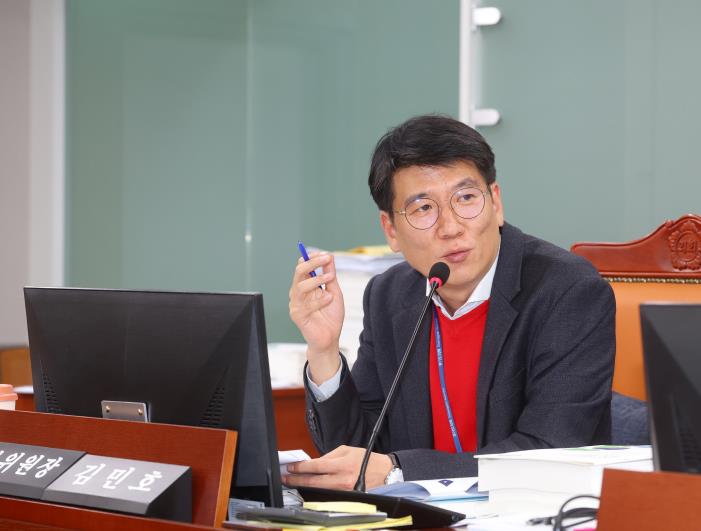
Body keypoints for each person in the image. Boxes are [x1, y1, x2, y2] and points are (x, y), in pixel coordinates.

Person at [285, 114, 615, 490]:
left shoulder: (567, 291)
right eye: (424, 208)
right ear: (391, 230)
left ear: (496, 202)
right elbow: (356, 457)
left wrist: (399, 471)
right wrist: (324, 351)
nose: (451, 227)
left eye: (466, 198)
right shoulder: (389, 296)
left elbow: (550, 451)